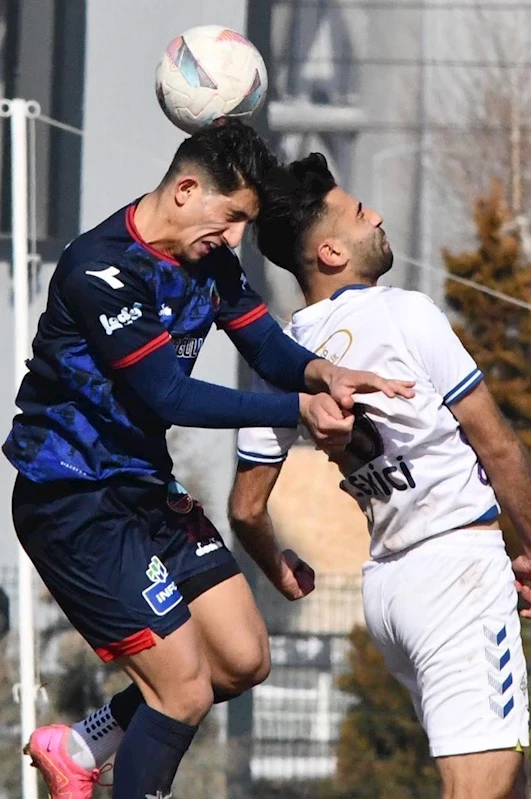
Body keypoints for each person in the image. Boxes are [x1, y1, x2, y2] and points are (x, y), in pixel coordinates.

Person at [4, 121, 413, 799]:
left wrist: (325, 374)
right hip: (72, 500)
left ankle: (79, 748)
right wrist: (298, 409)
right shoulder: (99, 270)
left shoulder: (210, 259)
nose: (235, 238)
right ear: (186, 190)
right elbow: (169, 395)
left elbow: (268, 349)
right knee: (184, 690)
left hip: (140, 487)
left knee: (242, 658)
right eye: (231, 219)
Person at [229, 153, 531, 799]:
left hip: (391, 588)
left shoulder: (282, 358)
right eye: (362, 213)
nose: (379, 216)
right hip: (456, 573)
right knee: (481, 784)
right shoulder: (403, 313)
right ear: (331, 251)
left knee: (506, 779)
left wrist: (278, 567)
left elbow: (246, 508)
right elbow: (498, 445)